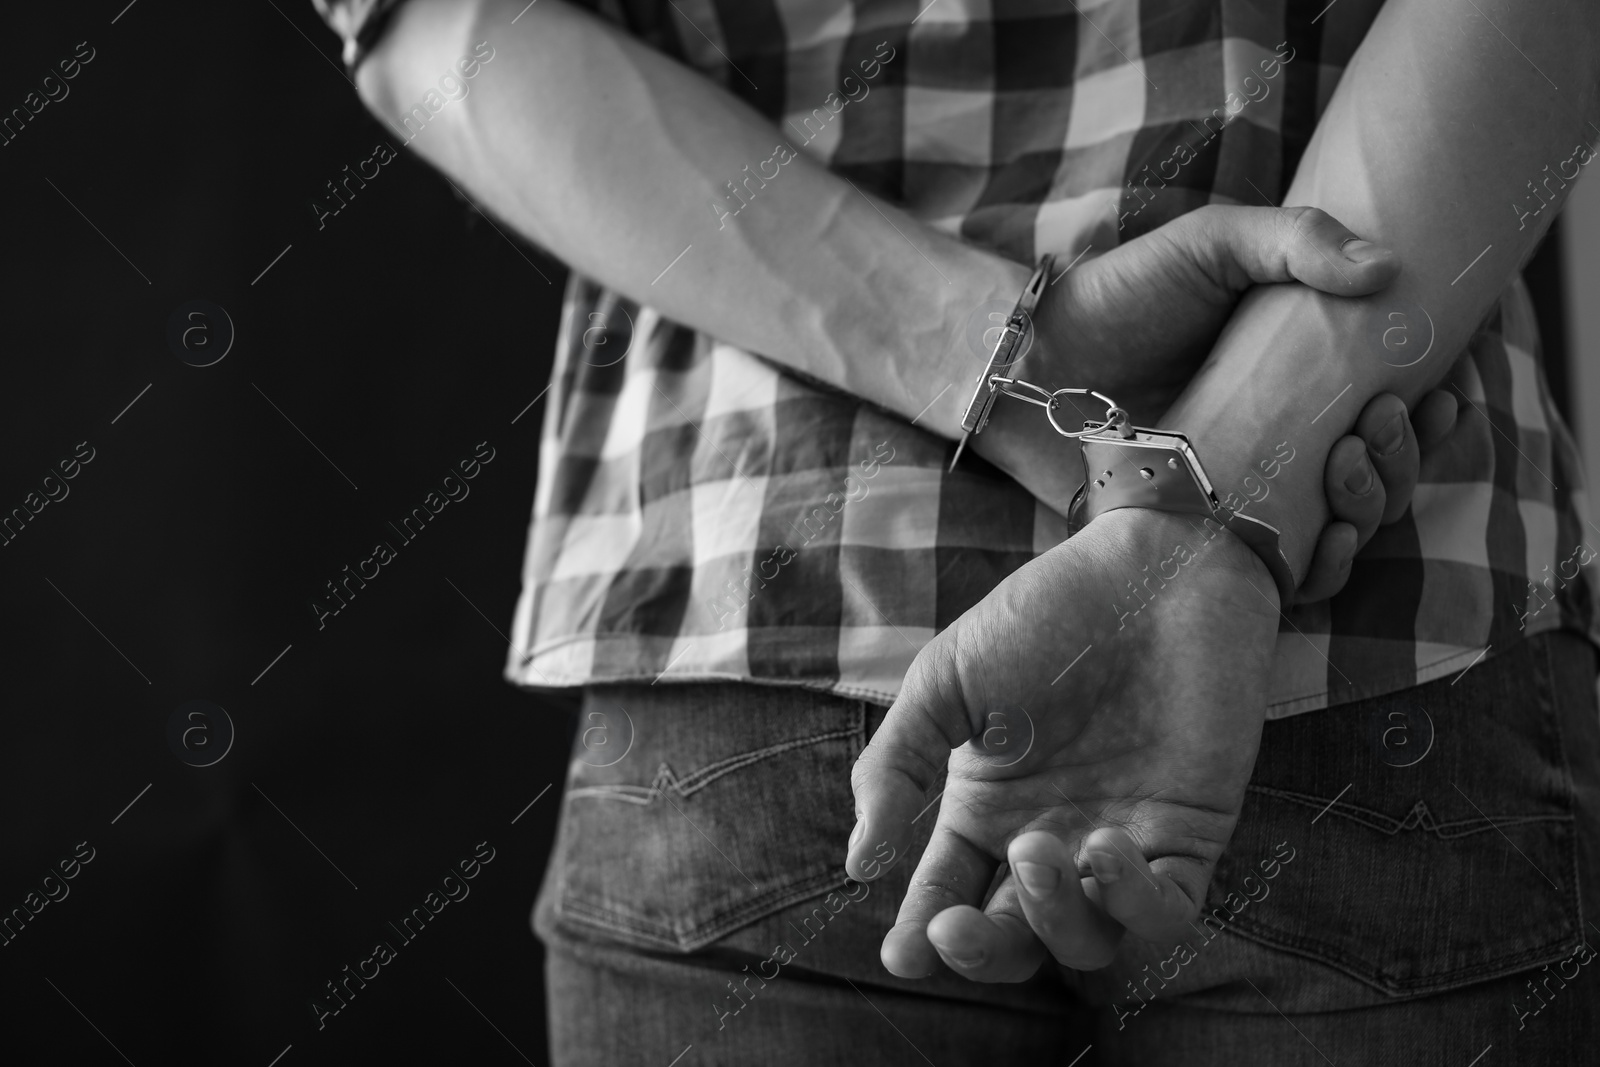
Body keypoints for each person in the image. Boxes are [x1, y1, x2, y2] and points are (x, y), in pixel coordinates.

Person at [316, 0, 1600, 1063]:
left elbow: (433, 22)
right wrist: (1232, 483)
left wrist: (995, 354)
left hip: (764, 587)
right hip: (1380, 600)